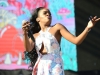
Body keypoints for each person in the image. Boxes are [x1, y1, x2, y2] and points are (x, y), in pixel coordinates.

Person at [22, 7, 100, 75]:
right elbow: (28, 49)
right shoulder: (35, 35)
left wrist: (88, 27)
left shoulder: (57, 27)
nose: (48, 14)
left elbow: (76, 41)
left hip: (55, 65)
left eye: (49, 13)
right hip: (41, 67)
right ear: (38, 19)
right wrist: (25, 33)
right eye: (45, 13)